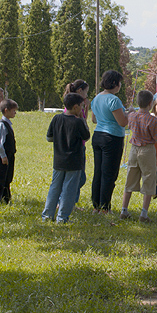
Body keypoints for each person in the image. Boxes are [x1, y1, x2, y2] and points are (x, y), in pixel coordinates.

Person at [42, 93, 92, 223]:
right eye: (81, 106)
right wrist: (82, 120)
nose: (82, 109)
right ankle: (62, 217)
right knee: (69, 189)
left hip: (59, 159)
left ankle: (47, 215)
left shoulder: (56, 119)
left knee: (55, 187)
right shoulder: (77, 122)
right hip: (74, 161)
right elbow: (86, 136)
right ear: (75, 107)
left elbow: (49, 138)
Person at [120, 90, 157, 222]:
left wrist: (132, 110)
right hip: (147, 150)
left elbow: (131, 113)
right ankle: (144, 214)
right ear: (151, 104)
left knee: (130, 179)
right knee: (149, 180)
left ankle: (124, 210)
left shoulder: (132, 116)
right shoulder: (152, 120)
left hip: (134, 150)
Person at [90, 70, 129, 213]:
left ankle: (96, 206)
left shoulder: (97, 98)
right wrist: (129, 114)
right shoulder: (114, 100)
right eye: (119, 83)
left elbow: (94, 119)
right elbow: (122, 122)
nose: (120, 85)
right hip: (112, 138)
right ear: (114, 83)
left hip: (98, 136)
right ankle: (105, 207)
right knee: (109, 174)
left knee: (98, 172)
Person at [63, 79, 91, 193]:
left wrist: (86, 108)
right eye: (86, 92)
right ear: (80, 90)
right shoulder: (73, 108)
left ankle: (71, 201)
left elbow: (84, 121)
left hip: (80, 144)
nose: (87, 95)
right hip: (74, 145)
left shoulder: (79, 106)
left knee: (79, 176)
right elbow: (82, 124)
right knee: (78, 177)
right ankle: (66, 199)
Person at [0, 99, 19, 203]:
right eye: (13, 111)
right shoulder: (2, 125)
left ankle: (6, 197)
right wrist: (3, 156)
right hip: (3, 156)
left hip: (9, 154)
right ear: (6, 110)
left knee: (7, 176)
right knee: (0, 176)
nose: (15, 113)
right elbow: (0, 142)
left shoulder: (8, 124)